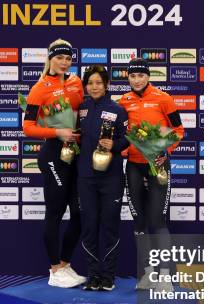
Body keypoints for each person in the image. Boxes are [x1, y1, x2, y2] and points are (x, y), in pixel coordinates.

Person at [22, 39, 85, 288]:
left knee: (79, 212)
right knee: (55, 212)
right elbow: (27, 127)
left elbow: (82, 111)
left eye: (68, 58)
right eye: (60, 58)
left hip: (75, 153)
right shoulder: (39, 88)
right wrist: (57, 133)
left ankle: (66, 264)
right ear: (50, 59)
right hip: (53, 156)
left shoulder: (76, 81)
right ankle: (54, 269)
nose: (64, 62)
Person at [118, 58, 184, 290]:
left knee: (158, 220)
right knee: (140, 221)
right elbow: (119, 136)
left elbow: (178, 129)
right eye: (133, 76)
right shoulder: (122, 102)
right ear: (128, 78)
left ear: (148, 76)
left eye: (141, 75)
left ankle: (165, 275)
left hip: (159, 165)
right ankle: (148, 275)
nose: (137, 80)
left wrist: (165, 151)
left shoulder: (163, 98)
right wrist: (125, 151)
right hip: (134, 166)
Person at [77, 65, 129, 291]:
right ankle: (93, 275)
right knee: (89, 226)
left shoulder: (118, 109)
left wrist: (114, 145)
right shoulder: (81, 109)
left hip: (112, 178)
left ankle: (108, 276)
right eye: (90, 83)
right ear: (85, 86)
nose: (94, 87)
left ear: (107, 84)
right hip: (86, 177)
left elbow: (127, 140)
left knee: (109, 226)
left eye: (99, 82)